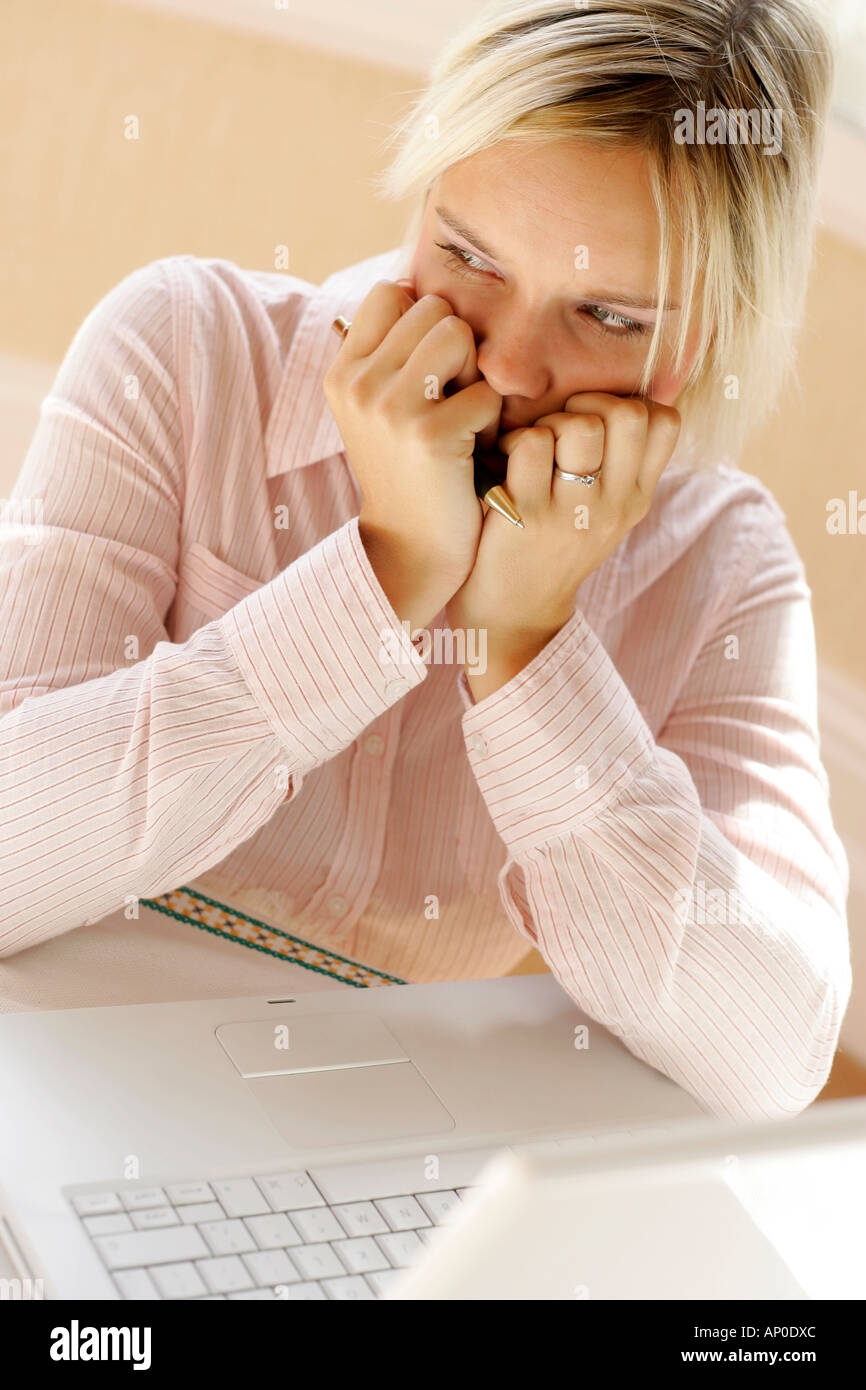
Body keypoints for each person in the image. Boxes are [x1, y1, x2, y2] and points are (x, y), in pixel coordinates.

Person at [0, 0, 850, 1120]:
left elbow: (773, 1058)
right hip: (60, 1064)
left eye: (603, 313)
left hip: (377, 1122)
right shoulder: (184, 347)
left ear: (700, 338)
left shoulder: (721, 564)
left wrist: (528, 642)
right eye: (466, 254)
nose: (506, 363)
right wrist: (387, 569)